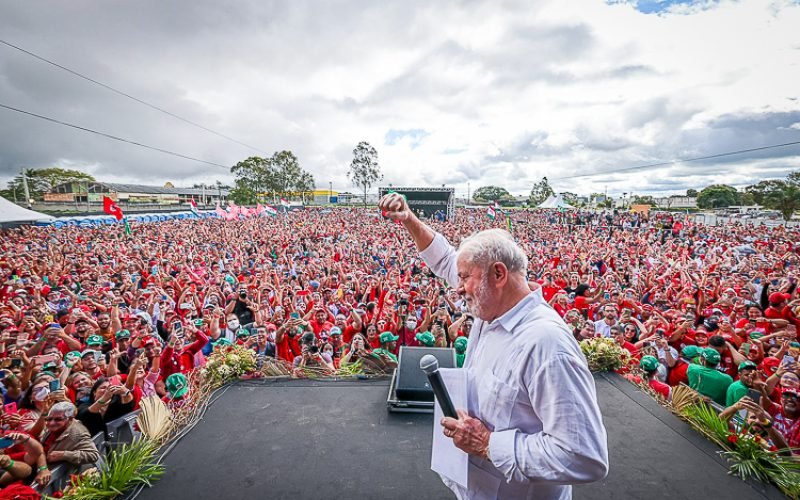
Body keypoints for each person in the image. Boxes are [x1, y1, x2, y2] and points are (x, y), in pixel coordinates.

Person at [379, 192, 608, 499]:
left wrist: (487, 444)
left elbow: (583, 456)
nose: (458, 288)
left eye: (464, 278)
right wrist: (408, 218)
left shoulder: (546, 345)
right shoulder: (492, 306)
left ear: (499, 274)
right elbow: (445, 258)